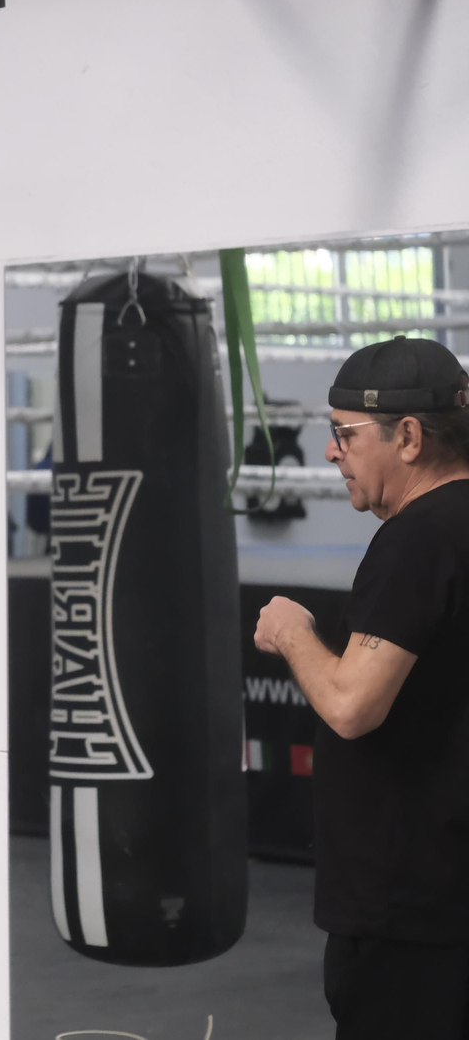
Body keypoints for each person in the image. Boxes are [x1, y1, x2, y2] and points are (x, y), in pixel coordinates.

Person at [253, 336, 469, 1039]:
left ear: (407, 437)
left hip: (413, 911)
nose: (329, 452)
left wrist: (292, 632)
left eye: (344, 434)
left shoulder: (418, 540)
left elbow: (351, 706)